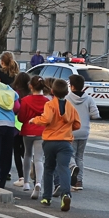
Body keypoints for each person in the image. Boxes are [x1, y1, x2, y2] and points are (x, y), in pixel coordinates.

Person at [32, 78, 81, 209]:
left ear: (52, 91)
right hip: (65, 142)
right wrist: (67, 128)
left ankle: (46, 197)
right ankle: (66, 194)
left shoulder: (50, 105)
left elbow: (46, 119)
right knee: (63, 168)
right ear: (67, 92)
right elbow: (77, 124)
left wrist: (34, 120)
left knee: (49, 168)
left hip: (50, 141)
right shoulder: (70, 107)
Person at [66, 74, 100, 190]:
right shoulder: (89, 99)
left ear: (72, 86)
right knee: (80, 157)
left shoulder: (67, 99)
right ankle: (78, 182)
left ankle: (73, 167)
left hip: (71, 131)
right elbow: (95, 115)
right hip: (84, 131)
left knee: (69, 154)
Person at [16, 74, 48, 195]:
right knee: (39, 158)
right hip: (41, 131)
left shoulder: (25, 100)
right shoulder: (47, 101)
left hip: (28, 130)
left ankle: (26, 182)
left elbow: (21, 118)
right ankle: (38, 182)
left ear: (30, 86)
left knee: (27, 155)